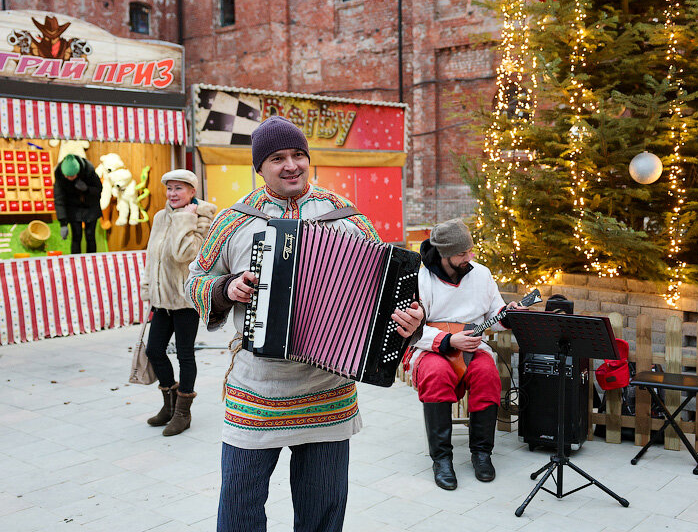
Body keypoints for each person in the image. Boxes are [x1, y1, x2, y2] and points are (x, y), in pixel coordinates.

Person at [185, 115, 424, 532]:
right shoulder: (234, 221)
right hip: (257, 391)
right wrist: (227, 289)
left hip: (327, 392)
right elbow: (194, 282)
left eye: (298, 155)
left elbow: (391, 292)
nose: (291, 165)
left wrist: (410, 320)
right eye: (277, 158)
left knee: (323, 512)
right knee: (239, 509)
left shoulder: (348, 218)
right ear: (259, 168)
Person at [407, 218, 521, 490]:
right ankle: (442, 459)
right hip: (432, 348)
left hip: (472, 348)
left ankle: (482, 454)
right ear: (444, 253)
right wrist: (447, 340)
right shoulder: (421, 279)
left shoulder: (481, 274)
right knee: (436, 374)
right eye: (461, 253)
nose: (469, 257)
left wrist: (507, 316)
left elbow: (494, 315)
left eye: (470, 250)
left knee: (487, 375)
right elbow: (411, 329)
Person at [140, 169, 217, 436]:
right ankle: (169, 403)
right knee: (154, 350)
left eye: (179, 189)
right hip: (162, 300)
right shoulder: (160, 216)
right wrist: (148, 288)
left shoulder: (204, 217)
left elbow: (185, 254)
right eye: (170, 188)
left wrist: (185, 219)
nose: (173, 194)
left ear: (192, 192)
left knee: (185, 354)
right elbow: (153, 255)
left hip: (185, 299)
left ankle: (183, 412)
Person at [53, 153, 102, 254]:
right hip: (73, 208)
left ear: (78, 172)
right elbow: (59, 200)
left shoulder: (89, 172)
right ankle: (75, 262)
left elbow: (98, 190)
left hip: (91, 206)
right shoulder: (60, 177)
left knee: (90, 236)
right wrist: (63, 223)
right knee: (76, 236)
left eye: (71, 176)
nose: (68, 178)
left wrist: (87, 189)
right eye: (66, 175)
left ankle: (92, 261)